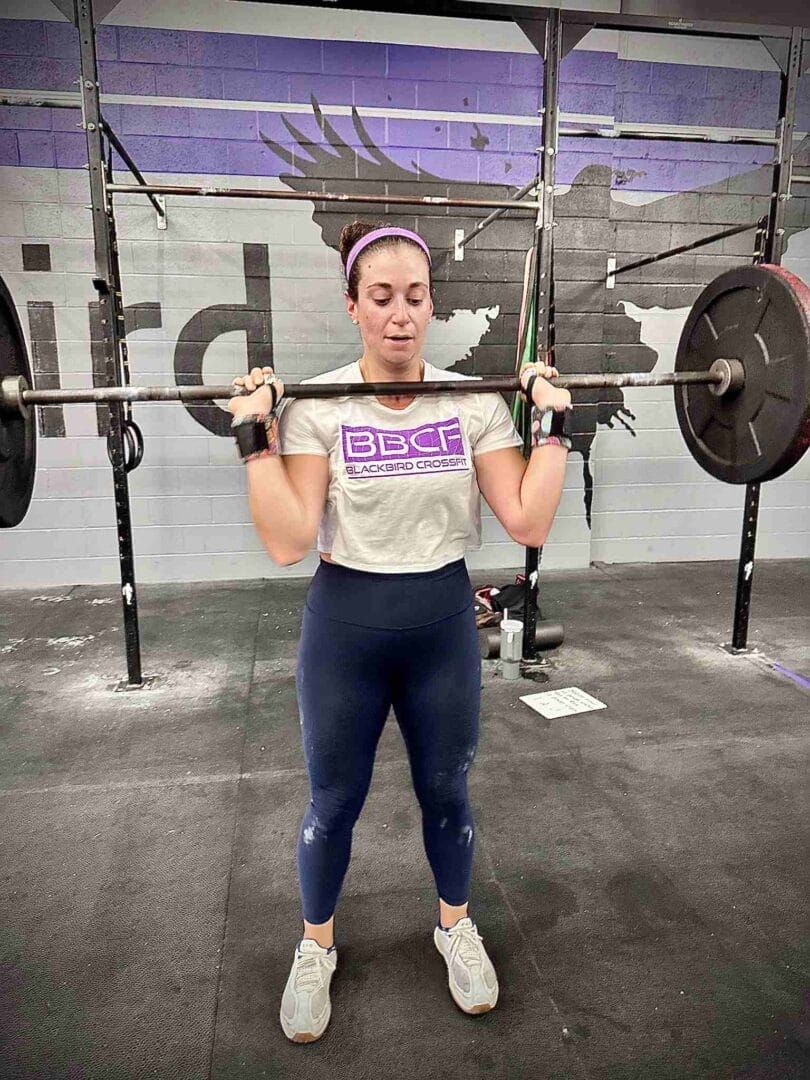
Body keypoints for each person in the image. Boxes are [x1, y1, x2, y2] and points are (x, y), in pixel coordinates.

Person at [227, 221, 572, 1043]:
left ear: (431, 305)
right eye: (380, 297)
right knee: (332, 804)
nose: (400, 315)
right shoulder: (315, 409)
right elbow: (285, 542)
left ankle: (454, 924)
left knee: (447, 793)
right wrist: (255, 437)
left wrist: (555, 427)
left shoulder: (473, 402)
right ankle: (317, 947)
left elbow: (526, 514)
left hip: (441, 627)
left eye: (414, 297)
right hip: (345, 630)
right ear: (353, 306)